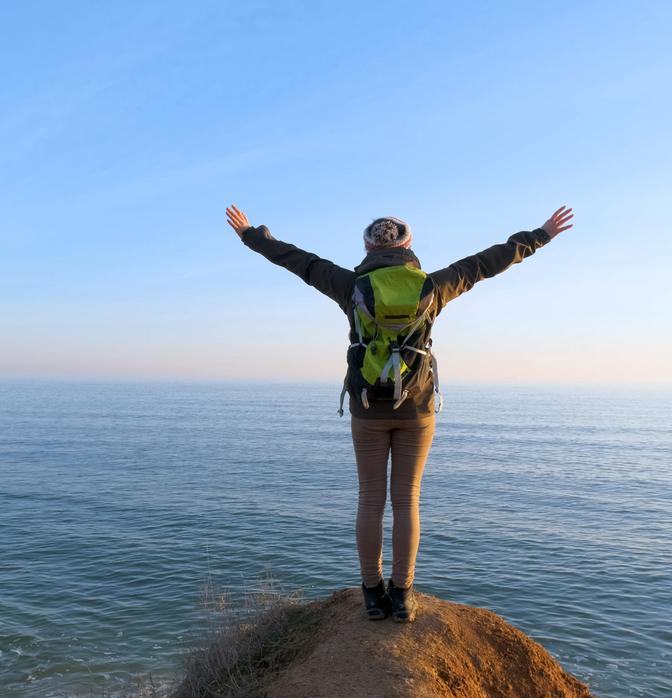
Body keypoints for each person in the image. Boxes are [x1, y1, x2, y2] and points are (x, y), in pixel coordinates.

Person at [225, 204, 574, 622]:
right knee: (406, 501)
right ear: (409, 245)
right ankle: (403, 593)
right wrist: (540, 235)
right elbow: (485, 263)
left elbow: (300, 261)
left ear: (368, 246)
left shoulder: (350, 285)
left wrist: (251, 235)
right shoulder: (433, 285)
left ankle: (372, 594)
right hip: (417, 408)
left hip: (367, 408)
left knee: (371, 500)